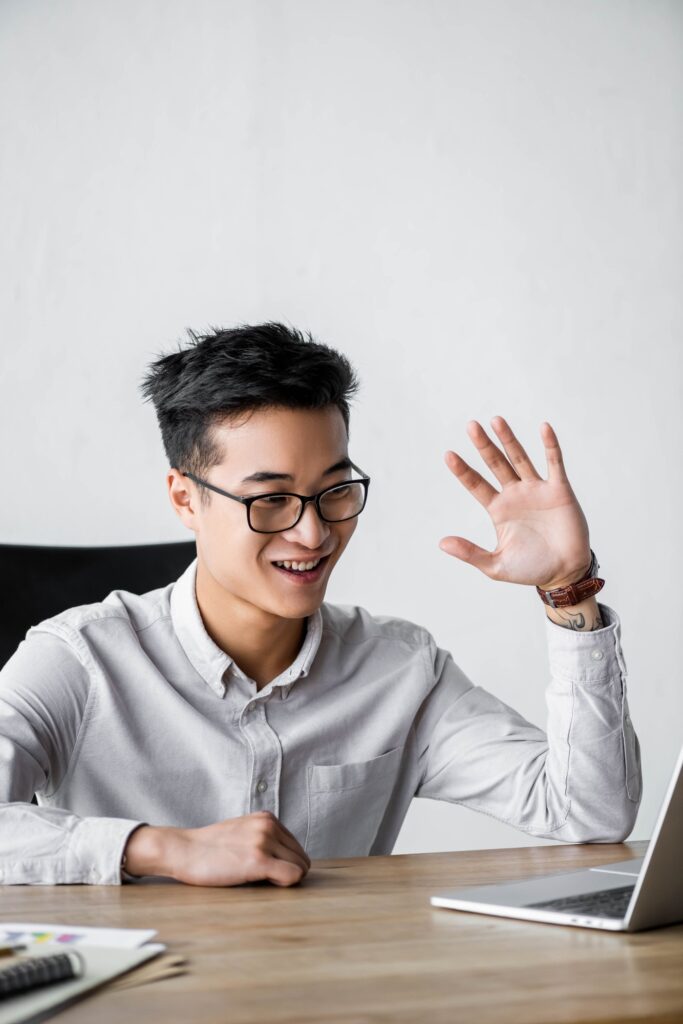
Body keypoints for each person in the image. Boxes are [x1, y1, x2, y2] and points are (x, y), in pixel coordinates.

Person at [0, 323, 641, 887]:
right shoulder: (77, 661)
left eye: (334, 490)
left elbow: (589, 811)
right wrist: (159, 848)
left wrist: (568, 589)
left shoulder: (399, 670)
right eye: (270, 499)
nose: (314, 534)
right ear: (184, 498)